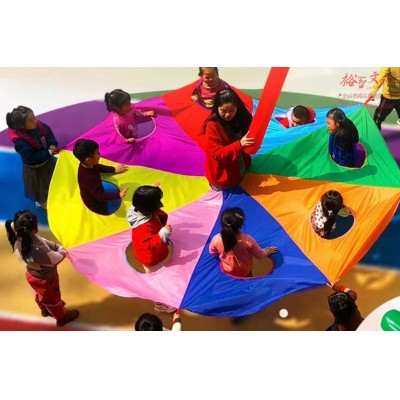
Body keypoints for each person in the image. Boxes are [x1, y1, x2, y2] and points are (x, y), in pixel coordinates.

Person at [5, 210, 79, 327]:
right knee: (53, 300)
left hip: (32, 275)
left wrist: (56, 247)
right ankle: (61, 317)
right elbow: (55, 259)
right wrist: (62, 250)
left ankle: (44, 309)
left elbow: (45, 243)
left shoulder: (19, 241)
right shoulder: (38, 251)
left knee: (39, 294)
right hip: (46, 280)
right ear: (33, 230)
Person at [126, 185, 175, 313]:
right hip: (151, 257)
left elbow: (142, 199)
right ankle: (159, 303)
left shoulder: (135, 209)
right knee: (156, 279)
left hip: (144, 250)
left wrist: (150, 192)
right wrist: (163, 233)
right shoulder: (144, 228)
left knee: (156, 275)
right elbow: (149, 244)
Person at [6, 106, 59, 209]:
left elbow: (48, 133)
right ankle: (42, 202)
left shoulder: (38, 126)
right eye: (30, 121)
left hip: (47, 160)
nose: (35, 121)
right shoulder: (21, 143)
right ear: (22, 126)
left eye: (34, 117)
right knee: (40, 187)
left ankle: (53, 190)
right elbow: (31, 159)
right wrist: (48, 153)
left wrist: (52, 143)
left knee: (52, 177)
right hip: (36, 169)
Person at [201, 88, 255, 190]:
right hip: (224, 177)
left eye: (231, 110)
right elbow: (217, 154)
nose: (227, 114)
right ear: (216, 108)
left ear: (237, 107)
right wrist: (240, 144)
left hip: (242, 167)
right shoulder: (212, 125)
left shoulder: (241, 117)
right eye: (223, 111)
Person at [209, 207, 278, 278]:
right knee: (246, 281)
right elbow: (260, 255)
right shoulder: (247, 240)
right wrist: (268, 250)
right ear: (241, 225)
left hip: (226, 269)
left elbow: (212, 252)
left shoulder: (217, 239)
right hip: (244, 271)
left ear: (222, 224)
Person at [72, 139, 128, 215]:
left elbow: (98, 167)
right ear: (88, 160)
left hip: (95, 192)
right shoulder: (88, 178)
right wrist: (118, 195)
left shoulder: (88, 164)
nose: (100, 154)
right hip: (95, 203)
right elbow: (101, 196)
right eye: (97, 153)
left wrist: (113, 169)